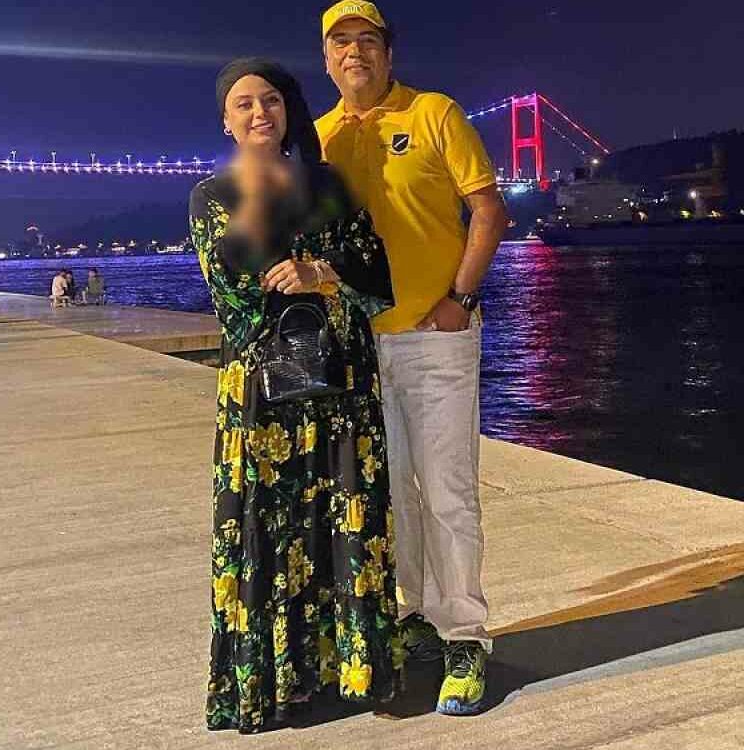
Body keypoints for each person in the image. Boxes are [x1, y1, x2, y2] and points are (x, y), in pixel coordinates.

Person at [189, 57, 402, 734]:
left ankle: (354, 673)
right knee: (267, 531)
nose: (261, 113)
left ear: (289, 111)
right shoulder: (212, 196)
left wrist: (320, 271)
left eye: (272, 101)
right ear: (225, 120)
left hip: (342, 388)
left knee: (345, 521)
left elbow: (377, 273)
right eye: (245, 104)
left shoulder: (328, 183)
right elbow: (235, 298)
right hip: (263, 398)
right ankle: (275, 684)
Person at [316, 1, 508, 716]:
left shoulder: (435, 113)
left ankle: (466, 635)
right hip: (361, 347)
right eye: (341, 42)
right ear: (327, 60)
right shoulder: (320, 138)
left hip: (436, 336)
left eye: (368, 41)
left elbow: (489, 210)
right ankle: (417, 614)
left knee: (449, 490)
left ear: (388, 54)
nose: (355, 52)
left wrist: (461, 297)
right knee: (391, 493)